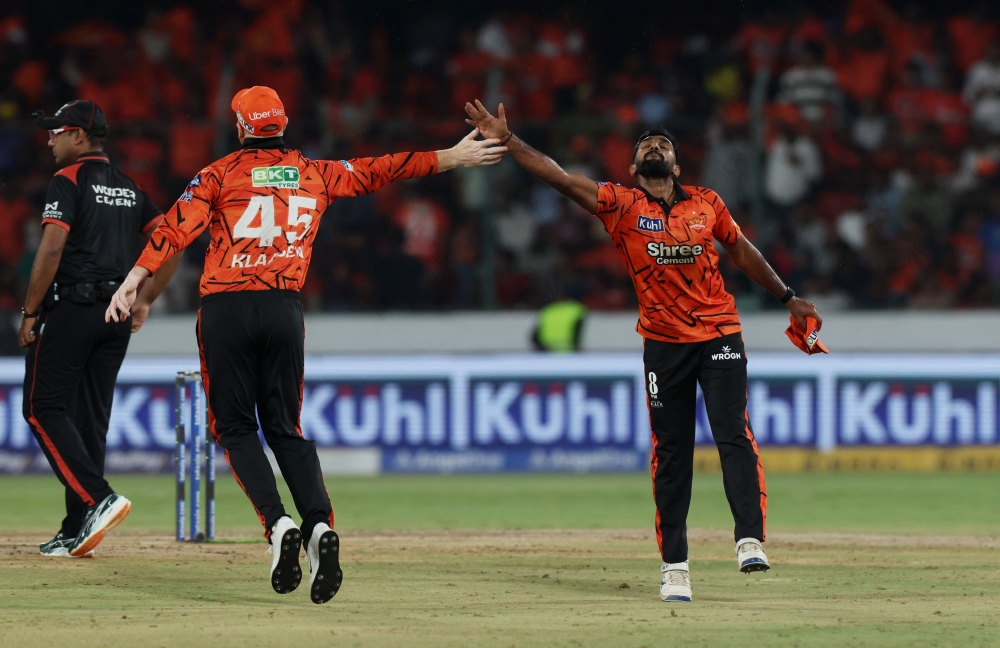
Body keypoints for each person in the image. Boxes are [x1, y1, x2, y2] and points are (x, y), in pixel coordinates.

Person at [106, 86, 506, 604]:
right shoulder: (315, 173)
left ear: (242, 126)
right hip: (283, 309)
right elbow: (381, 168)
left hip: (227, 309)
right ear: (284, 121)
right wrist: (451, 156)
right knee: (284, 428)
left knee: (233, 427)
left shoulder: (218, 174)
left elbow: (175, 233)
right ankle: (319, 526)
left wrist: (132, 280)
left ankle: (277, 526)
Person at [465, 100, 823, 603]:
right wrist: (509, 139)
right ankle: (675, 566)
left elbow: (741, 250)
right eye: (645, 147)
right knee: (671, 454)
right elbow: (560, 177)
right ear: (634, 169)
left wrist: (788, 297)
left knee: (732, 433)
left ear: (677, 166)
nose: (655, 147)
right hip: (663, 346)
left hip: (719, 334)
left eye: (664, 146)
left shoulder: (708, 204)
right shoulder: (620, 204)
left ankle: (749, 540)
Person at [22, 100, 181, 559]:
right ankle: (77, 528)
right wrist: (146, 298)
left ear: (77, 136)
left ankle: (98, 498)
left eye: (56, 132)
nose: (49, 139)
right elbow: (171, 244)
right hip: (115, 312)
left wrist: (31, 312)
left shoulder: (67, 180)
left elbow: (51, 250)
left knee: (42, 407)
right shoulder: (132, 189)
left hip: (71, 309)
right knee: (90, 421)